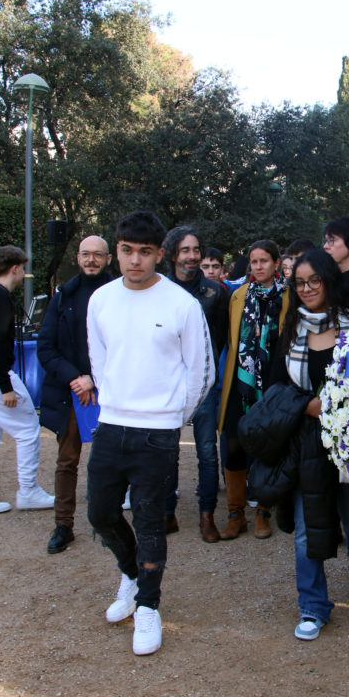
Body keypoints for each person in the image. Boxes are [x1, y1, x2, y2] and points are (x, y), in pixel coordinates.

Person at [85, 210, 214, 655]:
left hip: (158, 432)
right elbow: (98, 358)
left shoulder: (182, 304)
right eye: (126, 251)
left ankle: (148, 605)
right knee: (100, 513)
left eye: (144, 252)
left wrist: (172, 417)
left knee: (150, 520)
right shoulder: (100, 300)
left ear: (160, 254)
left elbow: (200, 373)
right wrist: (112, 399)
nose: (134, 261)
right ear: (115, 251)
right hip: (111, 425)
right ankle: (131, 572)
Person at [266, 249, 349, 641]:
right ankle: (313, 607)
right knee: (306, 528)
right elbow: (274, 386)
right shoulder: (290, 327)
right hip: (305, 442)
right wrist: (306, 405)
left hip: (348, 439)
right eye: (300, 283)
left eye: (315, 280)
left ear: (329, 281)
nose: (307, 289)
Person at [36, 235, 114, 553]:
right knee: (67, 461)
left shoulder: (120, 295)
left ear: (109, 258)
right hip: (72, 392)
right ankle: (63, 526)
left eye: (98, 254)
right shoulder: (63, 296)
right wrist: (76, 378)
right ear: (78, 258)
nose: (91, 260)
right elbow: (46, 346)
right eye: (85, 254)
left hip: (110, 390)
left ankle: (109, 526)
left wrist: (94, 379)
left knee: (110, 463)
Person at [0, 245, 53, 517]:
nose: (24, 273)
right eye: (22, 268)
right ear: (14, 268)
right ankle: (27, 491)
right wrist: (5, 387)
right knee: (27, 430)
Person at [218, 239, 289, 539]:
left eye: (264, 261)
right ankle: (236, 514)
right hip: (241, 381)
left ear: (276, 264)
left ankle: (262, 510)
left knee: (266, 445)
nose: (258, 267)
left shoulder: (289, 297)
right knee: (233, 444)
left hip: (273, 380)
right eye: (254, 262)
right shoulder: (237, 296)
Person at [162, 226, 228, 542]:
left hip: (202, 383)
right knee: (165, 450)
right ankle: (166, 512)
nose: (191, 255)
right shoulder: (159, 290)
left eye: (196, 249)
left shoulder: (215, 293)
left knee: (206, 451)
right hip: (166, 384)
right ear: (173, 253)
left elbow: (221, 339)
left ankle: (207, 515)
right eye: (185, 250)